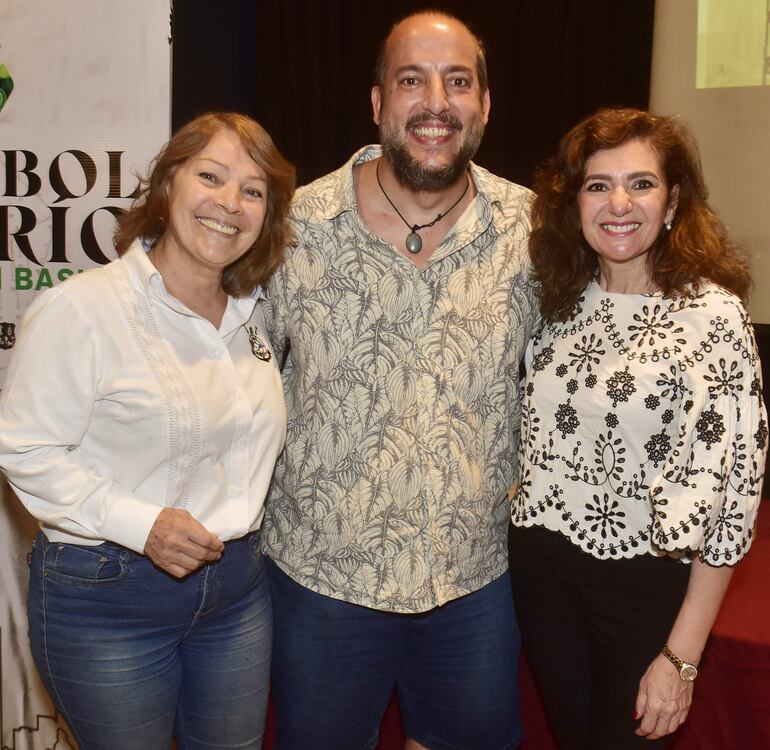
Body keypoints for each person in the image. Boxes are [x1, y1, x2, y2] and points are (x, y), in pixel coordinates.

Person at [261, 10, 539, 750]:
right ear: (378, 102)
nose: (436, 102)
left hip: (472, 580)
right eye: (411, 80)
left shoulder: (535, 232)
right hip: (322, 580)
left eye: (458, 82)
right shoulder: (292, 227)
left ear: (485, 104)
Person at [0, 112, 295, 750]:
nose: (230, 203)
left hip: (237, 594)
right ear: (167, 186)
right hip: (107, 597)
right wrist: (144, 523)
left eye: (252, 190)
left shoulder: (252, 316)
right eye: (210, 177)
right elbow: (24, 450)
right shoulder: (81, 309)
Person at [510, 106, 767, 749]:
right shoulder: (555, 302)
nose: (618, 203)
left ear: (673, 200)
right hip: (542, 572)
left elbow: (734, 499)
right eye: (598, 185)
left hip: (647, 584)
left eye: (641, 183)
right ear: (574, 203)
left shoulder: (714, 317)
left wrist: (682, 656)